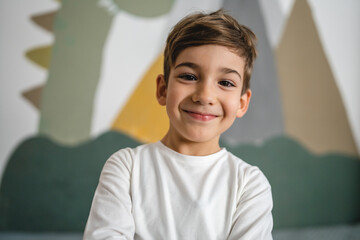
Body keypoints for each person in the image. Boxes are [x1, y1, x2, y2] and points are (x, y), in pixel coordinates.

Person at [83, 9, 273, 240]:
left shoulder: (249, 185)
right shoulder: (126, 168)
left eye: (225, 82)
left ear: (242, 103)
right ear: (163, 89)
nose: (205, 95)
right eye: (189, 77)